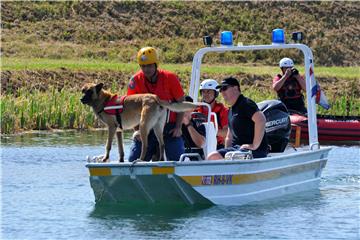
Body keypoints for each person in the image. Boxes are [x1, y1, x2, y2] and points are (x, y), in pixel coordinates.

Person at [127, 47, 185, 161]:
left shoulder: (170, 78)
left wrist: (178, 127)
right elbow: (131, 108)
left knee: (177, 158)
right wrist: (137, 130)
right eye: (143, 66)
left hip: (169, 129)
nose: (146, 69)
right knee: (133, 159)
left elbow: (181, 104)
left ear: (155, 64)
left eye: (149, 66)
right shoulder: (135, 81)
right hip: (146, 129)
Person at [207, 77, 268, 160]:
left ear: (235, 88)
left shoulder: (245, 103)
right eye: (220, 90)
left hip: (252, 151)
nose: (222, 92)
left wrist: (254, 145)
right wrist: (226, 153)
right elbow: (229, 136)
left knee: (217, 156)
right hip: (237, 150)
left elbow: (261, 120)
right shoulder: (231, 110)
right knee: (212, 156)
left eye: (224, 88)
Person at [195, 79, 228, 149]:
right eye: (203, 92)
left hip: (216, 146)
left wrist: (209, 131)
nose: (205, 94)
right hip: (198, 145)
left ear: (215, 93)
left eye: (209, 91)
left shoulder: (222, 110)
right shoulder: (196, 109)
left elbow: (226, 132)